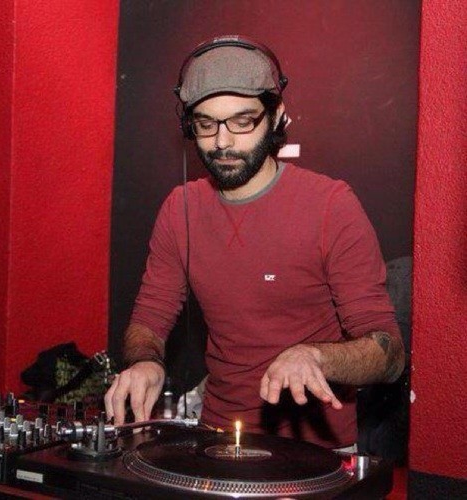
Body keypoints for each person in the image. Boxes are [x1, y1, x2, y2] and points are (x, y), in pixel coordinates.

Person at [105, 35, 405, 449]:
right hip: (217, 439)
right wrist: (145, 362)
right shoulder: (180, 208)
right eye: (206, 124)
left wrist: (317, 356)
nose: (222, 142)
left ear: (276, 116)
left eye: (242, 121)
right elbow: (150, 318)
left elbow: (389, 354)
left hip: (317, 453)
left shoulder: (331, 206)